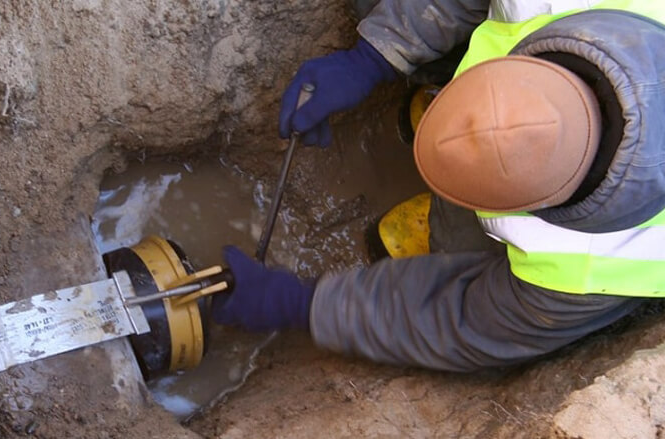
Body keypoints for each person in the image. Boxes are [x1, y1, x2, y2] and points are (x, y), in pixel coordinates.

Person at [212, 0, 665, 371]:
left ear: (537, 206)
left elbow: (467, 321)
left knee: (455, 245)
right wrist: (372, 56)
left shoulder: (602, 265)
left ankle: (456, 216)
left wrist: (305, 304)